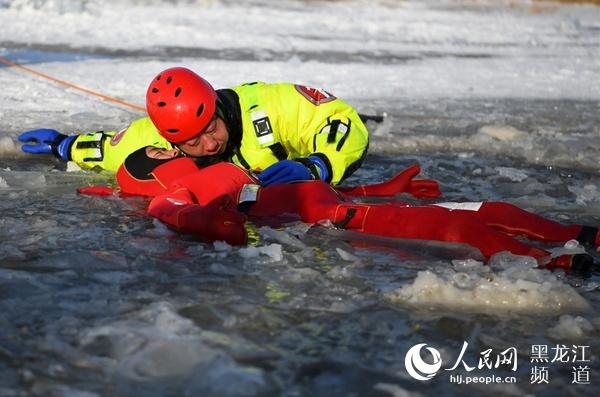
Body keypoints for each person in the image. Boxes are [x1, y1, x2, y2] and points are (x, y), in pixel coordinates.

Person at [80, 152, 598, 274]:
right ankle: (558, 263)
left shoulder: (226, 173)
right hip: (339, 218)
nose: (170, 153)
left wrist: (383, 187)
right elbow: (169, 209)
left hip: (348, 204)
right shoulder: (180, 189)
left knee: (489, 208)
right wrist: (205, 222)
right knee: (463, 226)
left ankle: (580, 234)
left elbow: (291, 184)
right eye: (160, 157)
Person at [18, 67, 370, 187]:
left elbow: (340, 122)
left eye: (211, 126)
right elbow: (108, 150)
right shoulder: (151, 140)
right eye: (193, 141)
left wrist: (318, 165)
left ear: (217, 106)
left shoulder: (271, 104)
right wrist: (63, 145)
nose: (210, 144)